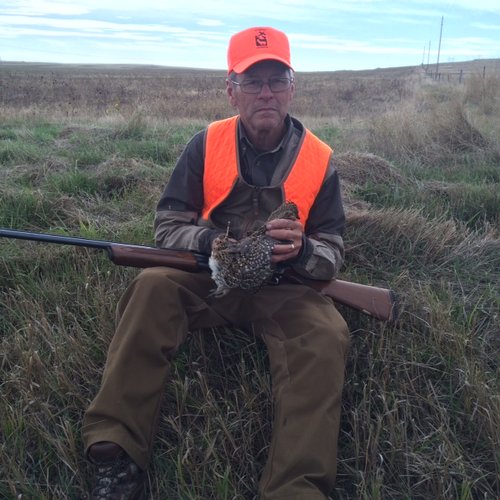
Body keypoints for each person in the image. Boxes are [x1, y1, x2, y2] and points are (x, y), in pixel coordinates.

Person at [83, 26, 350, 499]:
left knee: (325, 334)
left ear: (293, 86)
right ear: (231, 91)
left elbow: (332, 246)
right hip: (209, 277)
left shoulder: (320, 159)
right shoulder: (204, 144)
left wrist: (305, 251)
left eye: (276, 79)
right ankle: (115, 451)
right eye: (252, 81)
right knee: (150, 288)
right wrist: (211, 244)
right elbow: (167, 225)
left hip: (284, 288)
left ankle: (298, 489)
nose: (265, 92)